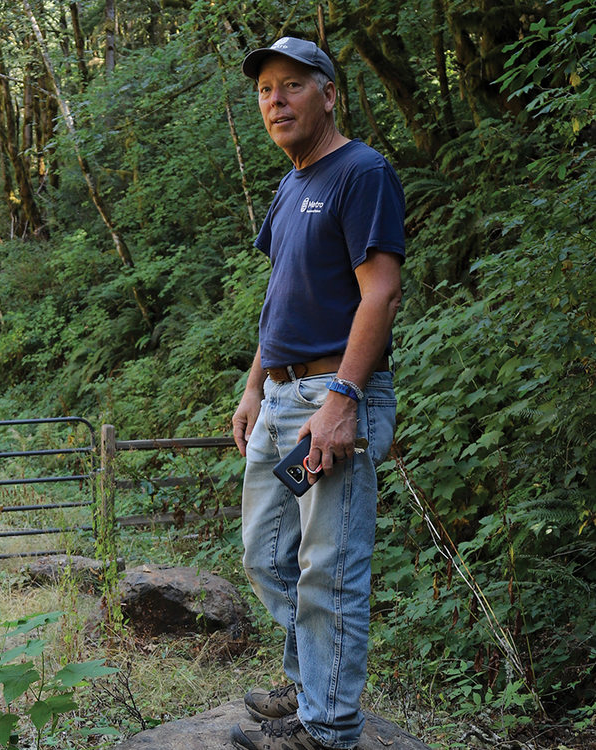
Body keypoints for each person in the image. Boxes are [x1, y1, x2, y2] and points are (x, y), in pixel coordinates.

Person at [228, 37, 406, 750]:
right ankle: (307, 684)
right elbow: (283, 296)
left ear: (328, 94)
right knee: (265, 556)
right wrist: (252, 386)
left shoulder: (361, 173)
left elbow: (380, 292)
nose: (276, 100)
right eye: (266, 89)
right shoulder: (290, 183)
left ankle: (327, 727)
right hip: (279, 397)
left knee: (328, 571)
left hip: (328, 399)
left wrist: (341, 400)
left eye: (292, 85)